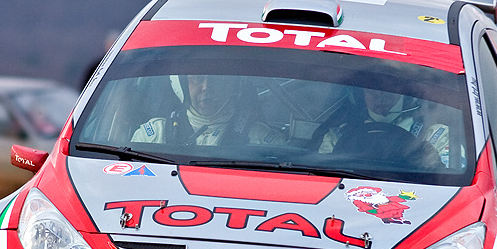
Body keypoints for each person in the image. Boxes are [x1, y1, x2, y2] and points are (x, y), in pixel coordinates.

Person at [132, 75, 282, 146]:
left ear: (233, 86)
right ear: (181, 85)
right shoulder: (152, 135)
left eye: (217, 79)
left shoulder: (263, 141)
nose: (206, 87)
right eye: (197, 79)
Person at [316, 87, 447, 168]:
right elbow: (323, 171)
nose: (381, 97)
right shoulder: (338, 135)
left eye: (389, 92)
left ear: (405, 96)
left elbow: (448, 179)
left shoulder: (435, 135)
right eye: (372, 92)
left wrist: (434, 164)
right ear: (360, 96)